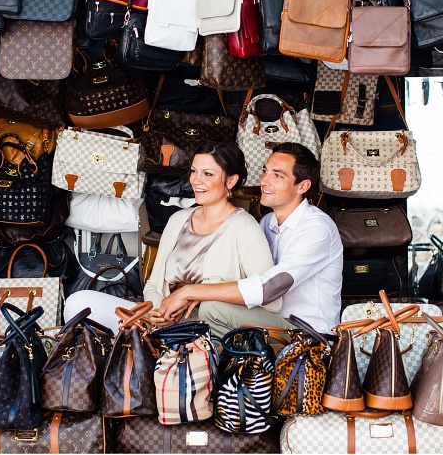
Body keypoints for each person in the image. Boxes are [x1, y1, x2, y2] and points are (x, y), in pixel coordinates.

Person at [63, 140, 281, 333]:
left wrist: (194, 294)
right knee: (78, 303)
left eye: (208, 174)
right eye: (194, 171)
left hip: (206, 328)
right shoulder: (179, 219)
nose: (196, 181)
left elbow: (270, 301)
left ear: (231, 181)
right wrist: (160, 313)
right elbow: (153, 285)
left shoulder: (244, 226)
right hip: (163, 321)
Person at [156, 142, 343, 334]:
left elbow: (270, 288)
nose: (264, 181)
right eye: (265, 171)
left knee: (212, 309)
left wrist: (193, 291)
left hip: (308, 335)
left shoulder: (317, 229)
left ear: (302, 186)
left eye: (277, 175)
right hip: (270, 323)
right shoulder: (267, 223)